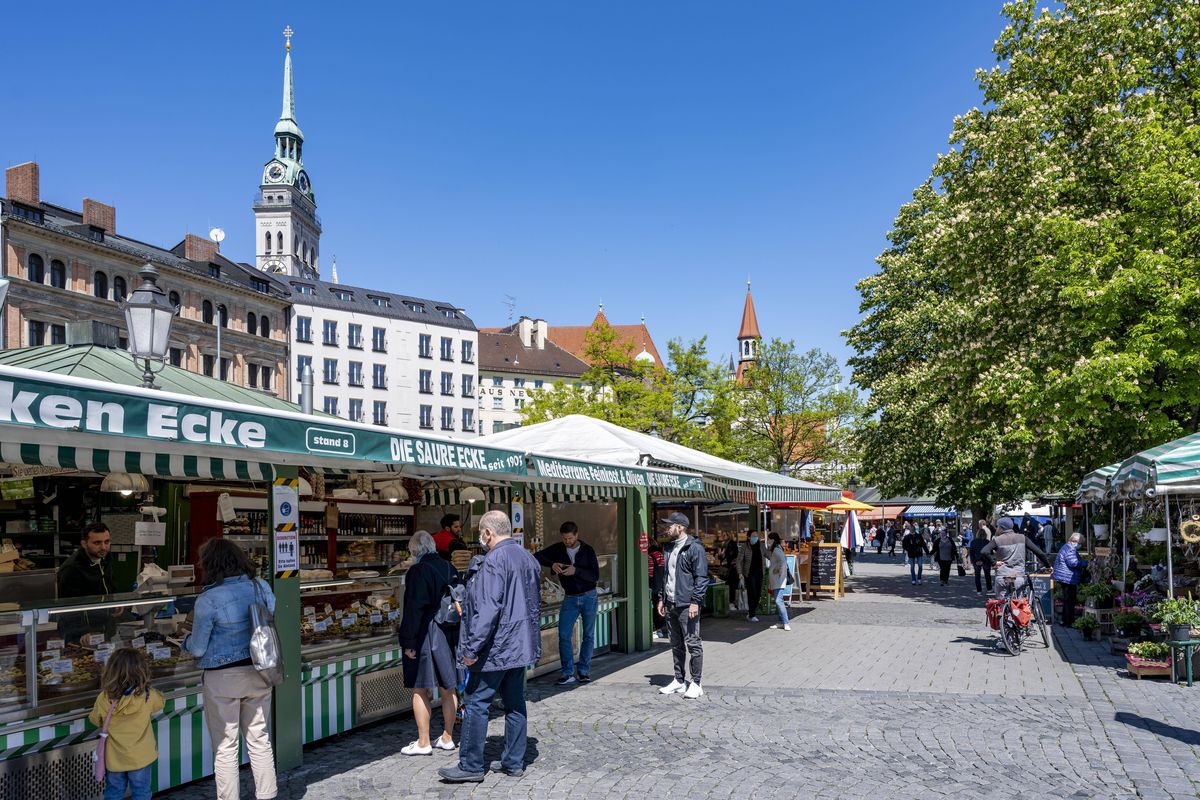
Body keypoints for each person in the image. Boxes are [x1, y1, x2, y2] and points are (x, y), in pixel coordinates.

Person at [440, 510, 541, 783]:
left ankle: (471, 766)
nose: (481, 538)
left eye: (482, 533)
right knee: (515, 703)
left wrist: (471, 649)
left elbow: (487, 610)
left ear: (488, 533)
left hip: (496, 647)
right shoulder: (527, 558)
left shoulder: (494, 561)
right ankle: (513, 761)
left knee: (476, 704)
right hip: (519, 645)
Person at [182, 539, 277, 800]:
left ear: (210, 565)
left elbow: (198, 648)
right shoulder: (262, 587)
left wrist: (184, 640)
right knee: (260, 740)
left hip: (222, 678)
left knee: (226, 747)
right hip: (259, 671)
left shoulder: (208, 599)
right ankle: (267, 796)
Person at [398, 530, 461, 755]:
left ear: (415, 550)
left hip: (425, 634)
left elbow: (414, 610)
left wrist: (408, 642)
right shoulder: (448, 566)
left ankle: (423, 742)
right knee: (448, 687)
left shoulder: (417, 571)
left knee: (419, 688)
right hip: (448, 633)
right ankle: (447, 737)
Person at [89, 647, 164, 800]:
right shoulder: (148, 697)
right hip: (140, 757)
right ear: (142, 670)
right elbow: (161, 703)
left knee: (114, 792)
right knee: (141, 792)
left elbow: (95, 719)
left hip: (114, 758)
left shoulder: (103, 698)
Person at [534, 521, 600, 686]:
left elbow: (595, 576)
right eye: (565, 539)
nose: (568, 541)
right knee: (563, 635)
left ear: (577, 535)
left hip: (589, 596)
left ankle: (584, 671)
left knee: (588, 635)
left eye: (570, 538)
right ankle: (567, 673)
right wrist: (552, 564)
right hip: (570, 597)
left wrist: (576, 571)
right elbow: (537, 556)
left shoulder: (588, 550)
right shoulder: (558, 548)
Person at [657, 511, 708, 699]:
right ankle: (679, 680)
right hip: (671, 603)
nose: (667, 528)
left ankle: (696, 683)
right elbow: (666, 576)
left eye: (670, 525)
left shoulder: (694, 548)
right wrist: (662, 598)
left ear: (680, 527)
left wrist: (696, 601)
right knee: (676, 644)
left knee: (693, 643)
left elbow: (701, 577)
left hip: (687, 604)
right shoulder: (669, 547)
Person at [981, 517, 1052, 601]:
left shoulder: (997, 540)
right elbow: (1040, 553)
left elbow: (984, 551)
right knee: (1018, 604)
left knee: (1001, 602)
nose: (996, 529)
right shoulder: (1022, 538)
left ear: (1001, 528)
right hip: (1018, 575)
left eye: (997, 527)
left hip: (1002, 575)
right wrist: (1048, 566)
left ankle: (1002, 612)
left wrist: (994, 563)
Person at [1052, 533, 1089, 628]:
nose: (1080, 546)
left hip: (1064, 576)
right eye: (1080, 543)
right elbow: (1074, 563)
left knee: (1068, 600)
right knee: (1070, 600)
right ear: (1075, 542)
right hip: (1067, 578)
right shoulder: (1070, 549)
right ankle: (1068, 621)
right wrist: (1086, 563)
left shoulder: (1066, 547)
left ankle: (1066, 620)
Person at [736, 528, 768, 622]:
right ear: (749, 537)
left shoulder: (761, 546)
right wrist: (740, 573)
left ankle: (751, 612)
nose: (755, 537)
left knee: (758, 594)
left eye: (756, 536)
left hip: (760, 573)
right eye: (753, 536)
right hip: (749, 573)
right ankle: (752, 615)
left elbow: (768, 554)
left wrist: (778, 558)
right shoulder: (745, 546)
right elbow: (739, 560)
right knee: (752, 593)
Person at [767, 532, 791, 631]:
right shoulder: (776, 548)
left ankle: (785, 622)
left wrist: (779, 571)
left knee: (778, 601)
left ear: (772, 540)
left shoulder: (776, 549)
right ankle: (781, 622)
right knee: (778, 601)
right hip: (776, 579)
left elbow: (783, 562)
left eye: (769, 539)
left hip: (779, 580)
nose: (768, 541)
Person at [648, 541, 667, 639]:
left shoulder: (650, 557)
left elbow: (650, 574)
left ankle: (656, 630)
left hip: (653, 586)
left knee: (653, 609)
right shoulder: (662, 556)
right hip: (662, 585)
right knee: (659, 607)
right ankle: (661, 628)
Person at [970, 525, 993, 595]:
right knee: (987, 575)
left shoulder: (973, 542)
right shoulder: (987, 542)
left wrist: (974, 561)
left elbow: (971, 553)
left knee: (977, 576)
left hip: (976, 560)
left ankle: (979, 590)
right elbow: (990, 552)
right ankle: (989, 589)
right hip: (986, 560)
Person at [721, 532, 742, 611]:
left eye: (724, 535)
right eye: (722, 535)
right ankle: (730, 602)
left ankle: (732, 602)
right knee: (729, 585)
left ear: (728, 536)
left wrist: (724, 555)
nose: (722, 536)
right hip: (728, 568)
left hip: (732, 569)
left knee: (732, 586)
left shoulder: (731, 544)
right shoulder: (724, 544)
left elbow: (732, 555)